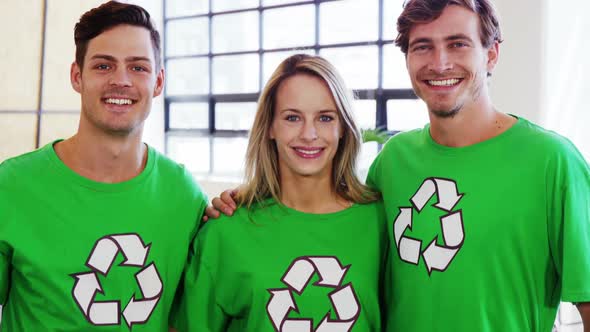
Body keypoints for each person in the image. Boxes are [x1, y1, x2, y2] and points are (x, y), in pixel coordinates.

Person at [209, 0, 590, 331]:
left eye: (457, 44)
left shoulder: (551, 162)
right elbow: (326, 212)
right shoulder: (393, 161)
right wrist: (247, 197)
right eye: (423, 46)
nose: (439, 63)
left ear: (491, 53)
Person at [0, 2, 207, 330]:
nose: (121, 80)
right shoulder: (11, 186)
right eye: (103, 66)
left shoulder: (183, 193)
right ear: (76, 76)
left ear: (158, 82)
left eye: (138, 67)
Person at [172, 54, 389, 331]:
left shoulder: (379, 221)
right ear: (270, 127)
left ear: (343, 128)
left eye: (325, 117)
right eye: (292, 117)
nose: (309, 134)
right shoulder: (225, 231)